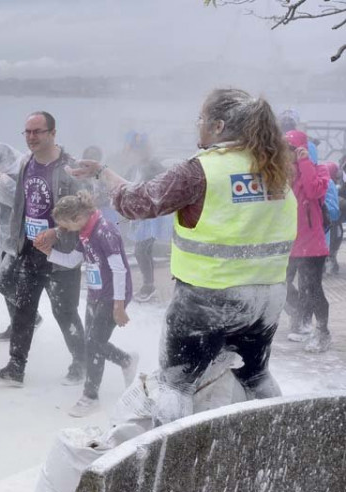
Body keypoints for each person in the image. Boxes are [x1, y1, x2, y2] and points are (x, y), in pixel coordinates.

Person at [72, 88, 297, 424]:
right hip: (265, 299)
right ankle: (278, 439)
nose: (198, 127)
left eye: (201, 120)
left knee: (176, 386)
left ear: (218, 126)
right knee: (256, 377)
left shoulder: (201, 171)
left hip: (208, 299)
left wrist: (102, 172)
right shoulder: (273, 169)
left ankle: (167, 461)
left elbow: (136, 202)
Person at [0, 111, 86, 387]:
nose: (31, 137)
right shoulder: (26, 163)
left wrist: (59, 231)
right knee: (24, 307)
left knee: (64, 311)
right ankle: (15, 367)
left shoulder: (69, 167)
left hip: (62, 253)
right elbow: (21, 203)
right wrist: (15, 241)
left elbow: (85, 210)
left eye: (37, 131)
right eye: (27, 132)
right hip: (31, 249)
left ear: (53, 133)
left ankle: (81, 362)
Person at [40, 191, 138, 417]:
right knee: (91, 341)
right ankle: (126, 360)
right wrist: (49, 253)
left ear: (76, 218)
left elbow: (119, 269)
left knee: (94, 343)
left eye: (65, 225)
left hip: (113, 295)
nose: (64, 230)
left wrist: (119, 305)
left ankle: (90, 395)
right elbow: (73, 260)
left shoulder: (105, 231)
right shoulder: (85, 231)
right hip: (96, 293)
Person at [0, 142, 44, 342]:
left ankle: (30, 317)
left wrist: (2, 181)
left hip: (20, 240)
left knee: (5, 283)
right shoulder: (1, 176)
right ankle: (16, 324)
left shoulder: (22, 174)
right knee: (8, 284)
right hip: (5, 239)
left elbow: (20, 203)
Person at [283, 131, 331, 352]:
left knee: (312, 288)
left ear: (301, 150)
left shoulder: (318, 170)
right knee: (278, 283)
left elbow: (313, 191)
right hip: (287, 243)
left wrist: (304, 162)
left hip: (312, 245)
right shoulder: (283, 174)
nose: (286, 153)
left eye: (291, 149)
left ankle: (322, 332)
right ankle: (300, 320)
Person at [122, 132, 172, 302]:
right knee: (142, 250)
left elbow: (164, 188)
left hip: (151, 217)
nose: (133, 154)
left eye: (137, 150)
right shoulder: (134, 168)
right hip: (139, 217)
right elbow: (125, 185)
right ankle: (148, 285)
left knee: (141, 250)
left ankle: (148, 286)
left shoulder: (154, 166)